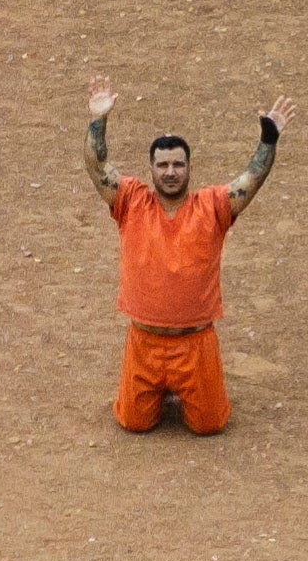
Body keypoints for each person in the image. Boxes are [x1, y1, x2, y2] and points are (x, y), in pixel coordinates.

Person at [83, 75, 295, 434]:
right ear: (151, 169)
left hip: (196, 344)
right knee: (133, 423)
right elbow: (97, 167)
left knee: (210, 426)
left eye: (178, 165)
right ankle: (160, 392)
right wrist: (97, 119)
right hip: (144, 343)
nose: (170, 172)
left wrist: (269, 139)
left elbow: (251, 179)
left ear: (189, 168)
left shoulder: (213, 206)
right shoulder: (131, 201)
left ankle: (185, 390)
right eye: (162, 165)